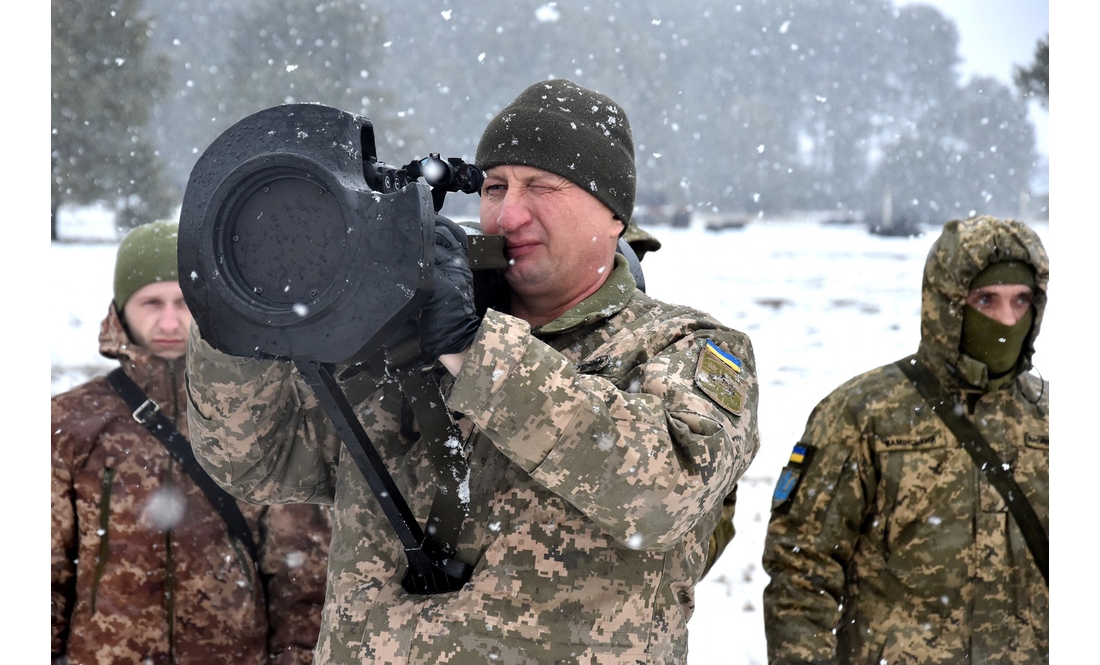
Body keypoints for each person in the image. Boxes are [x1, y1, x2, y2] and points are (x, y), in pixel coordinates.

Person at [185, 78, 760, 664]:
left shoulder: (684, 346)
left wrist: (474, 349)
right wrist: (249, 308)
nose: (508, 214)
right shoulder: (394, 337)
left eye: (541, 187)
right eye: (493, 187)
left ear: (614, 216)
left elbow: (659, 494)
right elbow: (257, 461)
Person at [762, 215, 1049, 664]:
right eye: (986, 299)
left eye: (1022, 300)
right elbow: (802, 573)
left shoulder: (1053, 418)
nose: (1005, 319)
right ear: (947, 303)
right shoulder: (863, 413)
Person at [51, 220, 332, 665]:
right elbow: (46, 570)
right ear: (121, 308)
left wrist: (296, 656)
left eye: (184, 302)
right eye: (151, 302)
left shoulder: (260, 416)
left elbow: (302, 569)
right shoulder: (67, 421)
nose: (168, 321)